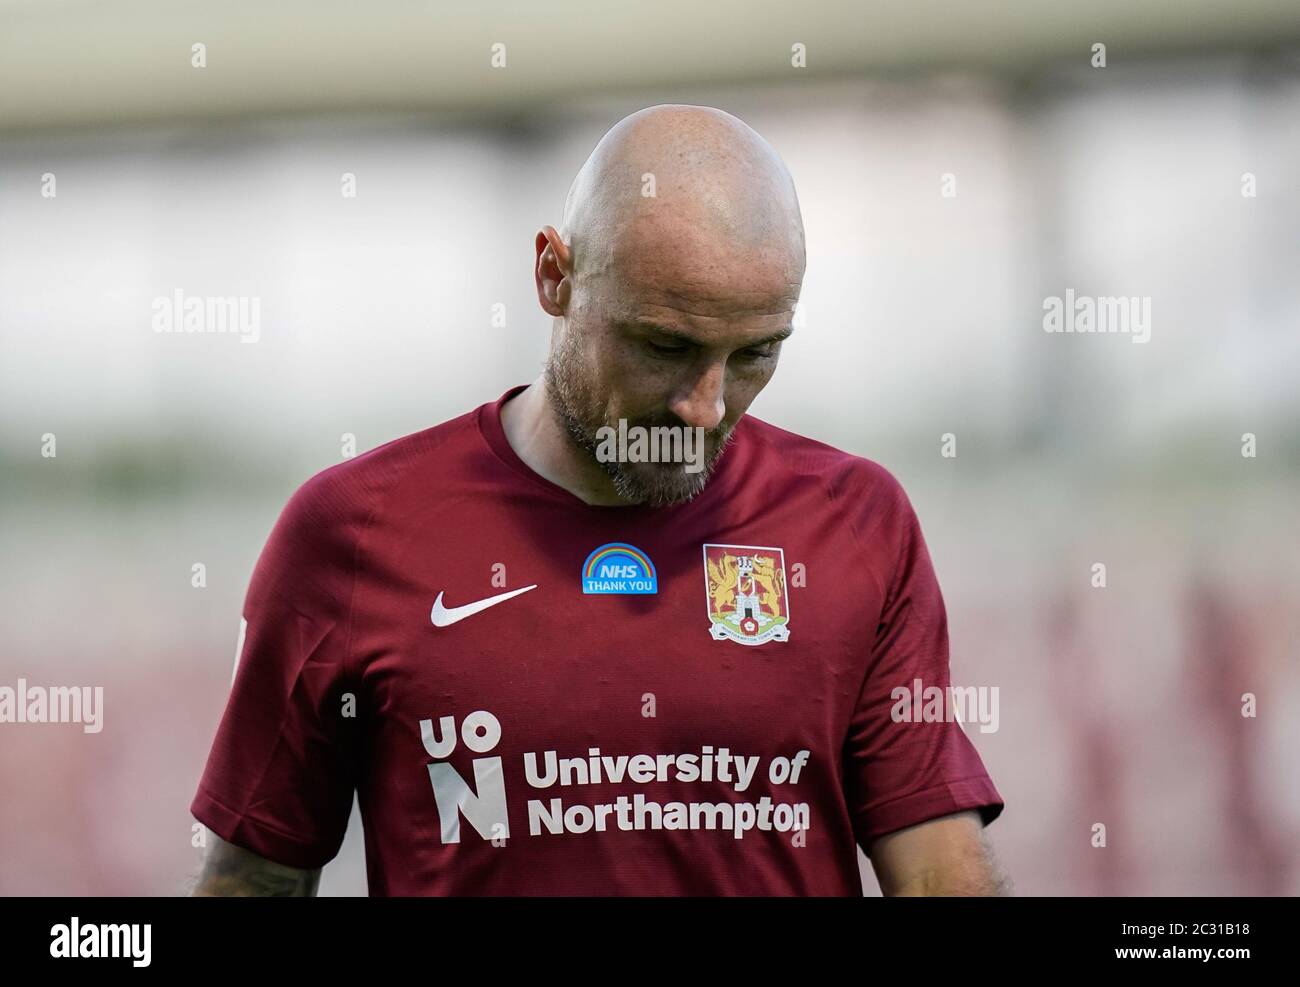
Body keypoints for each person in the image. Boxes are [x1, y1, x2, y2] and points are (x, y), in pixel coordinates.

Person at [189, 103, 1009, 896]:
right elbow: (254, 877)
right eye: (666, 345)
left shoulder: (857, 524)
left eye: (757, 352)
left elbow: (941, 876)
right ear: (554, 275)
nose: (706, 405)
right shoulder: (352, 532)